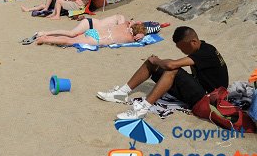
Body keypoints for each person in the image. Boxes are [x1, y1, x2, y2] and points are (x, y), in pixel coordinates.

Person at [96, 26, 228, 120]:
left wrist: (158, 60)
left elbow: (172, 65)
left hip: (207, 98)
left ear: (193, 42)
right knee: (151, 63)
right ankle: (121, 93)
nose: (182, 51)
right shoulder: (200, 47)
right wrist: (155, 61)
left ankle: (143, 109)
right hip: (199, 89)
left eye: (183, 47)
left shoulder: (206, 52)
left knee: (172, 69)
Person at [35, 22, 146, 46]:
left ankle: (47, 37)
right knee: (70, 41)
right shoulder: (129, 38)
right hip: (97, 39)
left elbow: (131, 22)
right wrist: (140, 36)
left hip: (94, 31)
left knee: (71, 37)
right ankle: (44, 39)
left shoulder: (124, 25)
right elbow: (139, 40)